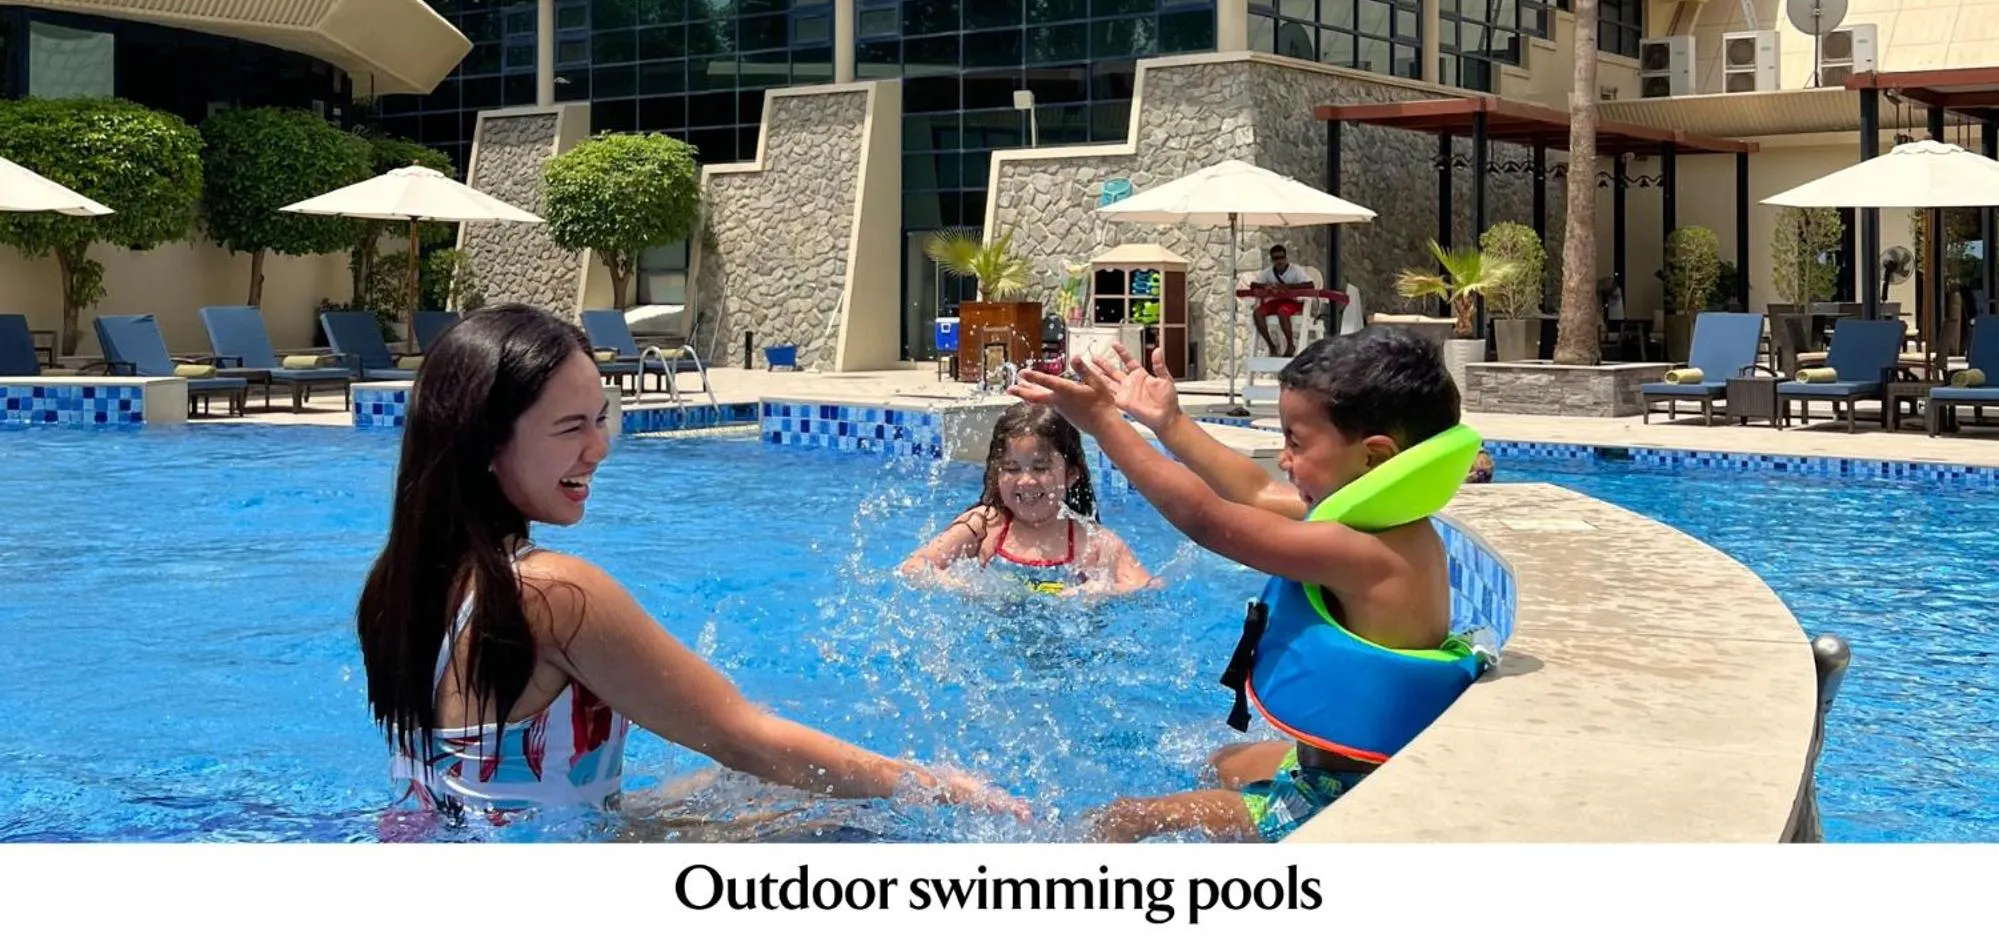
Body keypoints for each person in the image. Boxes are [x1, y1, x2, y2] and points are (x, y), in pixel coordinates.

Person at [356, 303, 1024, 821]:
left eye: (600, 419)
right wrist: (931, 786)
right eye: (570, 428)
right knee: (833, 810)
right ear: (485, 444)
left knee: (730, 789)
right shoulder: (554, 593)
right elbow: (746, 737)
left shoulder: (396, 584)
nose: (599, 449)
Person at [1010, 330, 1482, 842]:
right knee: (1223, 763)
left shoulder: (1369, 556)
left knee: (1125, 817)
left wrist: (1104, 424)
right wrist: (1169, 422)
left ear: (1373, 457)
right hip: (1338, 769)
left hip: (1343, 797)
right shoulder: (1389, 526)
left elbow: (1206, 519)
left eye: (1296, 443)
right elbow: (1254, 491)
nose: (1283, 459)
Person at [900, 403, 1154, 595]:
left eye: (1041, 468)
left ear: (1071, 474)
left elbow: (1149, 588)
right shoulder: (983, 526)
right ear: (996, 471)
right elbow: (914, 566)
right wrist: (962, 587)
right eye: (1011, 468)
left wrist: (1101, 593)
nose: (1026, 481)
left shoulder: (1094, 542)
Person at [1250, 244, 1314, 357]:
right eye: (1276, 258)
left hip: (1293, 302)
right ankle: (1271, 345)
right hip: (1276, 301)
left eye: (1281, 257)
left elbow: (1310, 284)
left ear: (1286, 258)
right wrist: (1266, 286)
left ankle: (1290, 345)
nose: (1279, 261)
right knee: (1257, 313)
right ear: (1272, 260)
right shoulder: (1268, 272)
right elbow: (1253, 285)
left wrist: (1288, 287)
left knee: (1282, 311)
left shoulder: (1295, 270)